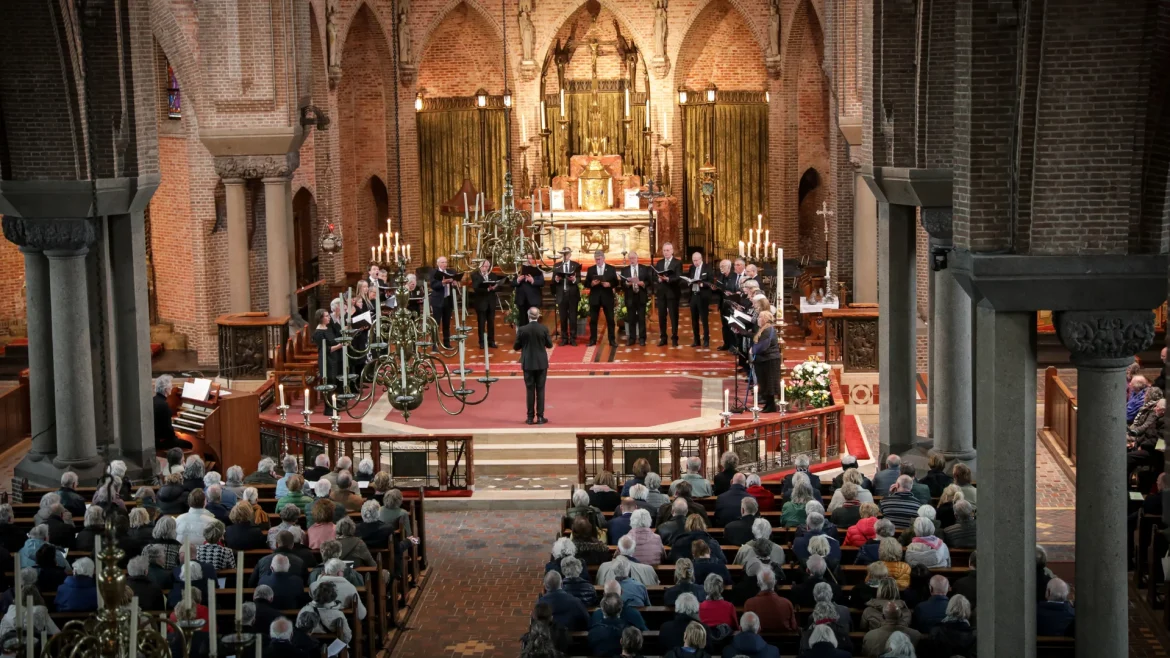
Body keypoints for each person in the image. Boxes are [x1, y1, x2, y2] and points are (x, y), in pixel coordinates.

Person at [515, 306, 553, 424]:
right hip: (541, 363)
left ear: (528, 316)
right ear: (538, 316)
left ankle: (530, 418)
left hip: (528, 363)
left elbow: (516, 346)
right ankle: (540, 417)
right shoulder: (543, 329)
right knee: (540, 390)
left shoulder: (522, 329)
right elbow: (550, 345)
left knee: (530, 390)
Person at [582, 250, 618, 346]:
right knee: (593, 320)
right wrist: (592, 284)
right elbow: (586, 283)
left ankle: (612, 340)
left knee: (610, 319)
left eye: (599, 259)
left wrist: (609, 284)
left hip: (607, 297)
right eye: (596, 259)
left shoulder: (611, 268)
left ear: (603, 258)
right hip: (595, 298)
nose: (597, 261)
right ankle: (593, 339)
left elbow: (616, 282)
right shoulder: (591, 269)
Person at [311, 309, 343, 415]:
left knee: (334, 381)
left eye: (329, 316)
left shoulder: (327, 328)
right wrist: (340, 346)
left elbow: (334, 340)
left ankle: (335, 402)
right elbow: (326, 349)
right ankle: (328, 408)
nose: (329, 317)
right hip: (326, 360)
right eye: (326, 316)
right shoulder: (318, 333)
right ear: (320, 318)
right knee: (328, 382)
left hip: (333, 358)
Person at [750, 311, 782, 411]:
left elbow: (764, 345)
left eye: (759, 317)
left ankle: (771, 405)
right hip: (765, 360)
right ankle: (768, 405)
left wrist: (753, 350)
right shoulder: (765, 329)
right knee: (765, 382)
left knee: (769, 383)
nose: (758, 319)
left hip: (769, 360)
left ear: (764, 319)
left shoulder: (768, 330)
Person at [653, 242, 684, 346]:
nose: (666, 252)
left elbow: (679, 278)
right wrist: (658, 279)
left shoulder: (677, 263)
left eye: (668, 250)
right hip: (661, 293)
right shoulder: (659, 263)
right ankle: (663, 338)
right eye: (664, 250)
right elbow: (655, 276)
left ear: (672, 251)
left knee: (673, 316)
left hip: (672, 293)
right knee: (662, 316)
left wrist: (668, 279)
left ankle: (674, 338)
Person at [551, 247, 582, 346]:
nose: (565, 256)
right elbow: (553, 281)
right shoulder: (557, 266)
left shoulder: (575, 265)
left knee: (573, 317)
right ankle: (564, 338)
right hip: (561, 294)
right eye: (563, 254)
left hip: (572, 294)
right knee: (563, 317)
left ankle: (573, 338)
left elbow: (579, 280)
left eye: (567, 254)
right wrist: (556, 279)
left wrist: (573, 279)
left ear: (570, 254)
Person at [682, 251, 713, 347]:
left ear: (701, 259)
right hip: (693, 296)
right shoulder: (692, 268)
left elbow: (711, 282)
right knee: (694, 319)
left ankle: (706, 339)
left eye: (696, 260)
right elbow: (689, 278)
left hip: (703, 296)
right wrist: (689, 282)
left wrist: (703, 284)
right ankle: (696, 340)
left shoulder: (707, 267)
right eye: (693, 260)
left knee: (704, 319)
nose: (695, 262)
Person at [153, 374, 192, 451]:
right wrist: (175, 438)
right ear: (165, 389)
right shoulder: (164, 405)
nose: (171, 388)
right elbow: (168, 431)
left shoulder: (153, 400)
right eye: (170, 386)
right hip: (162, 441)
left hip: (154, 439)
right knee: (189, 444)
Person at [622, 251, 652, 346]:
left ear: (637, 258)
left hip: (641, 296)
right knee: (631, 318)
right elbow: (622, 284)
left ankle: (642, 338)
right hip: (630, 296)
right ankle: (632, 338)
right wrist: (627, 283)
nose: (632, 260)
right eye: (630, 258)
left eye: (633, 258)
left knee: (641, 318)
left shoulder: (644, 268)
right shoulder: (625, 270)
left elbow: (649, 281)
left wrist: (643, 283)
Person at [471, 258, 500, 348]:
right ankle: (482, 342)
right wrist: (487, 289)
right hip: (481, 302)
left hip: (491, 302)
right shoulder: (475, 275)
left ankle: (491, 341)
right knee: (481, 323)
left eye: (487, 266)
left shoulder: (493, 275)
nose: (486, 268)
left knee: (491, 323)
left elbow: (498, 286)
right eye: (484, 266)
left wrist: (494, 288)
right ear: (480, 266)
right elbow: (475, 288)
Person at [430, 256, 458, 347]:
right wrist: (443, 282)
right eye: (442, 262)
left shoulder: (450, 272)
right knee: (436, 323)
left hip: (448, 300)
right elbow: (433, 285)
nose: (444, 264)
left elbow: (455, 283)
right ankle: (435, 344)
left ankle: (447, 343)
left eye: (445, 262)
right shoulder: (434, 272)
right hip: (438, 300)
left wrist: (454, 283)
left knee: (447, 323)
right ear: (437, 263)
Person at [514, 255, 546, 329]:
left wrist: (533, 280)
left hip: (533, 300)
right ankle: (523, 339)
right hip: (521, 300)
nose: (528, 260)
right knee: (523, 322)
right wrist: (518, 280)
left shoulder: (537, 269)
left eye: (530, 258)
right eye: (526, 258)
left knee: (533, 323)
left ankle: (533, 339)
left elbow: (542, 282)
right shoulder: (518, 270)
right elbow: (512, 283)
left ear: (532, 260)